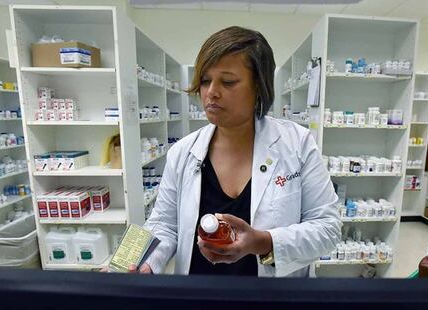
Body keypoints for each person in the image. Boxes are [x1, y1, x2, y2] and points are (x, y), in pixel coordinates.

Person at [134, 26, 341, 277]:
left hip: (273, 301)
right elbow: (161, 223)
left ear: (258, 86)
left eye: (228, 81)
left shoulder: (297, 144)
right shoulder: (183, 152)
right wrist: (129, 261)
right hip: (199, 298)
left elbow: (328, 228)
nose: (211, 92)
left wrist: (264, 241)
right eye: (205, 80)